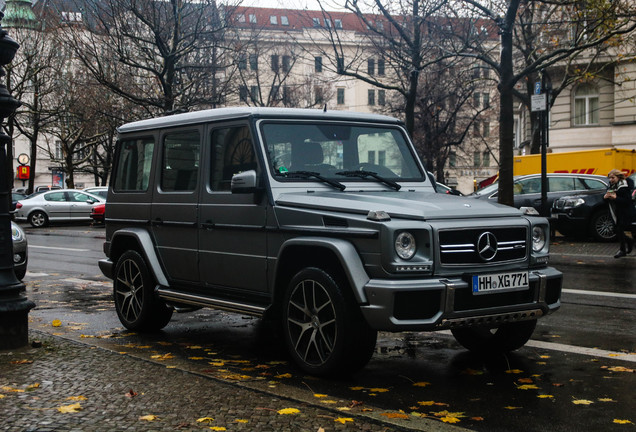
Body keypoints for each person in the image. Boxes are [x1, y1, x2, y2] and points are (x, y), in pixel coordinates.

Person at [604, 169, 636, 258]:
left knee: (621, 229)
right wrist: (606, 197)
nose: (611, 180)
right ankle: (628, 243)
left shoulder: (624, 185)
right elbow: (607, 199)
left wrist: (615, 198)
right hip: (616, 211)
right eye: (610, 178)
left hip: (626, 212)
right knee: (616, 230)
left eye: (613, 177)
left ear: (618, 177)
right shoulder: (611, 186)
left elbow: (627, 200)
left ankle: (623, 249)